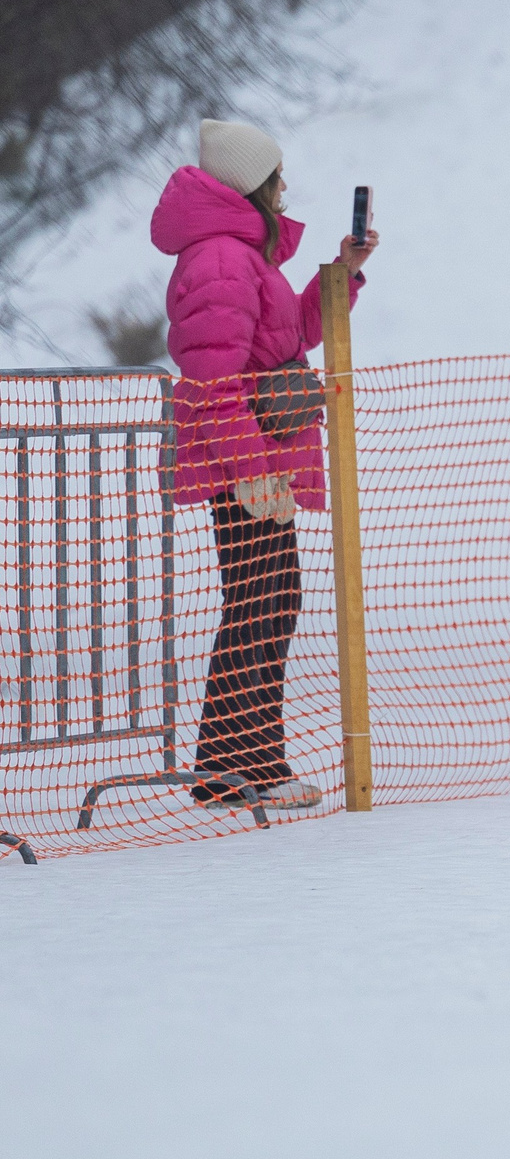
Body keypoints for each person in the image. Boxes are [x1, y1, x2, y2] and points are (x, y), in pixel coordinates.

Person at [152, 119, 379, 811]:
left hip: (257, 460)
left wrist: (343, 273)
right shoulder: (222, 260)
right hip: (244, 465)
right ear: (252, 185)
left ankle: (231, 767)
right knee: (262, 603)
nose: (286, 188)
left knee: (266, 602)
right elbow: (212, 382)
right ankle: (247, 767)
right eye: (277, 177)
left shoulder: (244, 255)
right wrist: (252, 470)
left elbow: (289, 336)